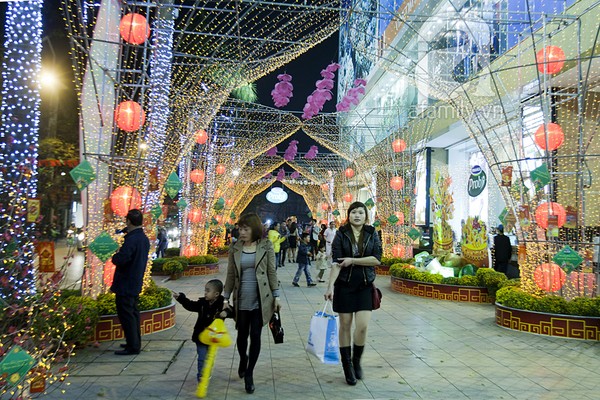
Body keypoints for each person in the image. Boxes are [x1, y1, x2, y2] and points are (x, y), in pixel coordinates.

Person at [222, 213, 281, 394]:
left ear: (254, 229)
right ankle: (243, 358)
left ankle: (249, 373)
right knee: (242, 335)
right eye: (240, 229)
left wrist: (276, 295)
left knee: (255, 335)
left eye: (245, 229)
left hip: (260, 299)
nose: (242, 232)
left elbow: (271, 272)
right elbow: (230, 274)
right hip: (241, 299)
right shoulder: (235, 247)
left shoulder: (266, 245)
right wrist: (225, 298)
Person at [324, 201, 382, 385]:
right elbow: (336, 263)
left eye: (360, 213)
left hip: (364, 286)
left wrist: (353, 260)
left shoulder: (372, 233)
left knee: (362, 326)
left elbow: (377, 259)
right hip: (344, 286)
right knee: (345, 325)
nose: (357, 215)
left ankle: (357, 361)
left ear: (366, 216)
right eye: (354, 212)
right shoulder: (341, 234)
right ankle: (347, 366)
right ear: (348, 215)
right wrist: (330, 287)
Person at [172, 279, 230, 382]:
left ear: (216, 294)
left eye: (208, 291)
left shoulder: (222, 304)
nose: (205, 293)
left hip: (213, 337)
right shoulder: (202, 303)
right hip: (201, 336)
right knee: (202, 357)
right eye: (205, 290)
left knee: (210, 357)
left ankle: (207, 372)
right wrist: (181, 298)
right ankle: (201, 377)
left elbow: (231, 311)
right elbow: (191, 305)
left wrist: (226, 313)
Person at [111, 209, 150, 355]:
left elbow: (123, 259)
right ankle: (133, 342)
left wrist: (115, 256)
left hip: (126, 282)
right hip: (135, 281)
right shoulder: (143, 238)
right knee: (133, 314)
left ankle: (133, 346)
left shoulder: (132, 239)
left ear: (128, 221)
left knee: (127, 315)